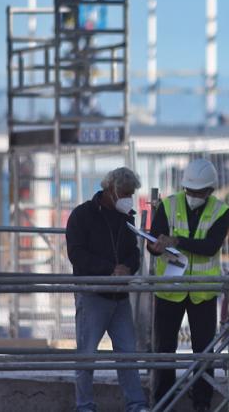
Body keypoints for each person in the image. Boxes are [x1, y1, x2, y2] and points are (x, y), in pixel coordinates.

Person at [148, 159, 229, 412]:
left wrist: (177, 240)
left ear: (210, 190)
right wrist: (154, 246)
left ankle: (202, 403)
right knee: (165, 351)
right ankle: (164, 402)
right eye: (190, 191)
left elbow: (210, 247)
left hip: (202, 292)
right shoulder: (168, 205)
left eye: (199, 192)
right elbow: (154, 242)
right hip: (170, 289)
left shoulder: (221, 210)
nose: (194, 196)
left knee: (204, 352)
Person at [65, 167, 150, 412]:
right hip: (93, 294)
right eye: (124, 193)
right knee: (86, 355)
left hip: (120, 296)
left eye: (130, 193)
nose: (128, 198)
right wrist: (110, 269)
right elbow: (77, 254)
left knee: (127, 354)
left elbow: (133, 252)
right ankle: (85, 405)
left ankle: (136, 404)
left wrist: (127, 269)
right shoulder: (82, 215)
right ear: (110, 189)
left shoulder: (127, 218)